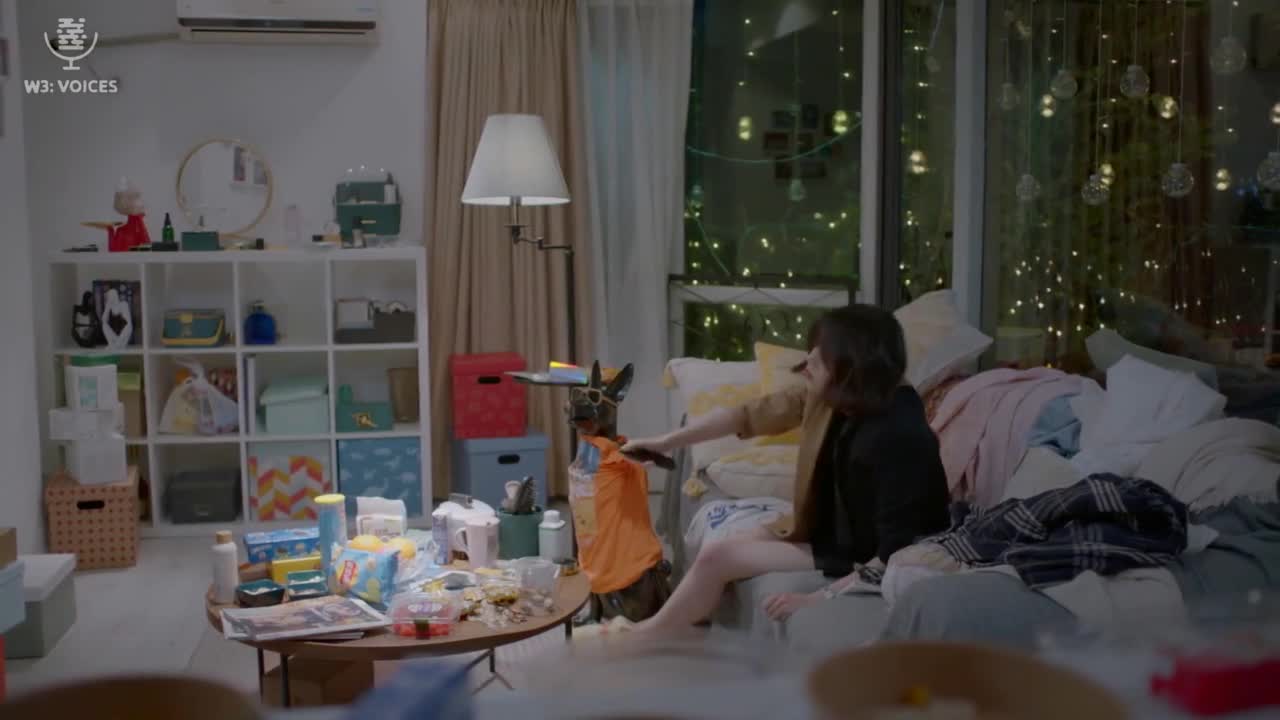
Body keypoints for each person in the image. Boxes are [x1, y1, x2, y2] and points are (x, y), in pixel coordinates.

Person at [622, 304, 950, 634]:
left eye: (820, 357)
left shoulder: (900, 436)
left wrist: (819, 597)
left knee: (718, 558)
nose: (806, 363)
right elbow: (750, 414)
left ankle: (646, 636)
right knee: (718, 546)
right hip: (828, 532)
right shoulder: (838, 396)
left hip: (858, 554)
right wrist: (666, 441)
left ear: (852, 366)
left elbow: (896, 551)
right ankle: (669, 631)